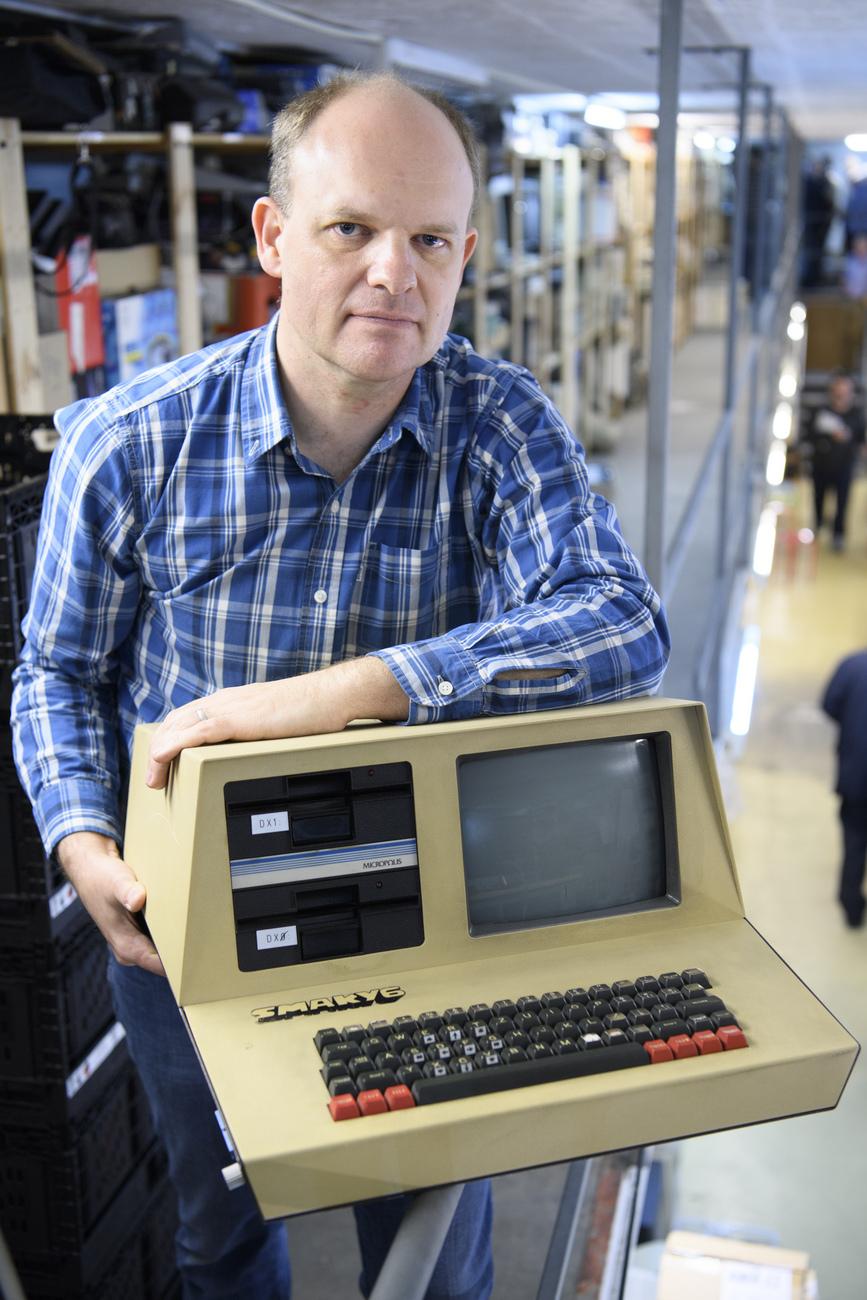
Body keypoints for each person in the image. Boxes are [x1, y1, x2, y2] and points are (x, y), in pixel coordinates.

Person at [11, 72, 670, 1300]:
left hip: (424, 927)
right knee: (223, 1232)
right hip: (188, 940)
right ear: (272, 236)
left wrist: (348, 693)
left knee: (425, 1252)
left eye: (430, 241)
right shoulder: (128, 445)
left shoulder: (496, 426)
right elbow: (56, 668)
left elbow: (623, 623)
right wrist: (79, 840)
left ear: (468, 255)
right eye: (350, 230)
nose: (393, 275)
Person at [821, 650, 867, 928]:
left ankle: (851, 907)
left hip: (856, 773)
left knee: (855, 840)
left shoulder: (852, 665)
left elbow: (829, 704)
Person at [803, 370, 865, 551]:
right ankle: (817, 527)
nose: (841, 392)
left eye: (845, 388)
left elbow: (860, 440)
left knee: (843, 501)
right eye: (838, 387)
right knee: (818, 497)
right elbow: (809, 436)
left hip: (845, 465)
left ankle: (838, 535)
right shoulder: (820, 412)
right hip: (821, 463)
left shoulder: (856, 415)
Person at [800, 157, 835, 288]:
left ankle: (814, 278)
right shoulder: (812, 182)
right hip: (812, 222)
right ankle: (810, 277)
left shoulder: (823, 182)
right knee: (811, 250)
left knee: (817, 251)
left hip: (820, 224)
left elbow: (829, 203)